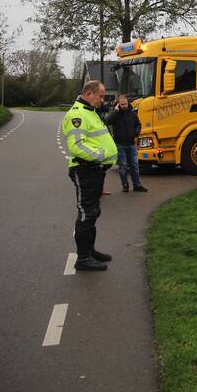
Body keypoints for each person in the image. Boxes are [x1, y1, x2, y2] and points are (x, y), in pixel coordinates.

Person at [62, 80, 118, 272]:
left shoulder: (90, 112)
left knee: (93, 212)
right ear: (88, 94)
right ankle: (83, 258)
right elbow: (76, 146)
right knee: (86, 213)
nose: (103, 100)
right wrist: (101, 156)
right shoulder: (77, 115)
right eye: (100, 96)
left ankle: (90, 251)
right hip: (85, 170)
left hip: (95, 170)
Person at [104, 93, 147, 193]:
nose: (124, 106)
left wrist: (136, 133)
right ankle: (125, 185)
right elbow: (107, 121)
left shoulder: (132, 113)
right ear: (118, 104)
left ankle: (137, 185)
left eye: (125, 104)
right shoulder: (115, 114)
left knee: (135, 166)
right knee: (123, 166)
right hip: (120, 144)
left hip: (131, 144)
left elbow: (138, 125)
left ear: (128, 103)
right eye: (121, 104)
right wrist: (115, 110)